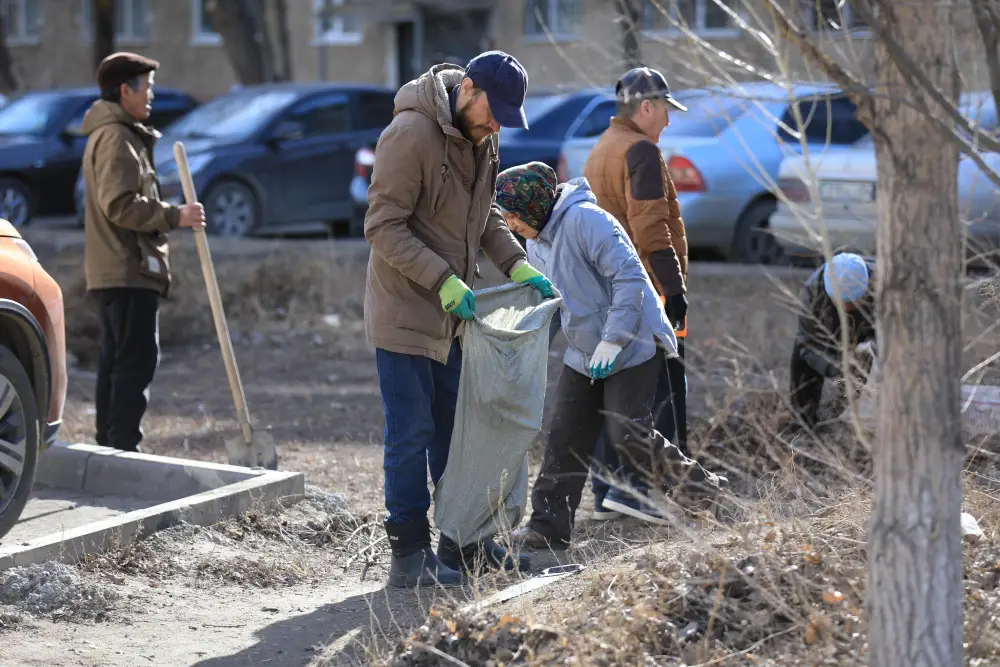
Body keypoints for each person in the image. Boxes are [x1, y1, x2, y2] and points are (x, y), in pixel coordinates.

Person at [363, 51, 554, 588]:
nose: (498, 126)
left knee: (458, 433)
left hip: (454, 316)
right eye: (494, 112)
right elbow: (382, 225)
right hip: (404, 311)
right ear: (467, 88)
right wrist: (443, 278)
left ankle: (464, 544)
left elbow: (485, 213)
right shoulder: (410, 135)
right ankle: (408, 555)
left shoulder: (482, 138)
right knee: (411, 433)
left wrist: (518, 264)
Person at [496, 162, 726, 550]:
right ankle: (548, 526)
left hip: (634, 339)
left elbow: (630, 277)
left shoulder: (588, 221)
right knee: (566, 431)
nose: (510, 223)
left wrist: (614, 339)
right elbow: (555, 302)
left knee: (628, 433)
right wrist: (526, 348)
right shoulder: (536, 243)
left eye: (513, 215)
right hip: (586, 349)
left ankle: (705, 492)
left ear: (533, 206)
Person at [81, 52, 206, 453]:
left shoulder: (119, 134)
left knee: (118, 360)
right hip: (126, 265)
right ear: (125, 90)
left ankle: (111, 447)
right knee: (134, 360)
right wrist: (175, 215)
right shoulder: (117, 137)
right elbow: (119, 204)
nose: (151, 96)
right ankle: (123, 448)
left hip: (118, 266)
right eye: (146, 87)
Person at [582, 67, 691, 520]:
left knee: (617, 391)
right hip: (645, 292)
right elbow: (649, 228)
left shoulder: (601, 148)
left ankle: (608, 488)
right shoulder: (642, 152)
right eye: (665, 109)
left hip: (606, 293)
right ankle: (638, 489)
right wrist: (674, 289)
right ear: (646, 107)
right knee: (659, 393)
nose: (667, 120)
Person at [790, 252, 876, 429]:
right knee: (801, 356)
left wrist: (872, 353)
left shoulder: (885, 286)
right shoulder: (814, 292)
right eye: (841, 301)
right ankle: (803, 423)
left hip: (870, 334)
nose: (847, 307)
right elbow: (808, 342)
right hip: (831, 335)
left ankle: (849, 415)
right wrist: (836, 368)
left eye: (853, 301)